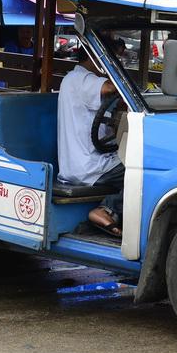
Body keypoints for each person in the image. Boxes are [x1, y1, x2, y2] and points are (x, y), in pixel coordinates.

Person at [56, 49, 124, 237]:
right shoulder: (79, 79)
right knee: (141, 172)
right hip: (88, 165)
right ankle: (107, 209)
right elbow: (110, 88)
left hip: (89, 161)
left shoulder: (77, 80)